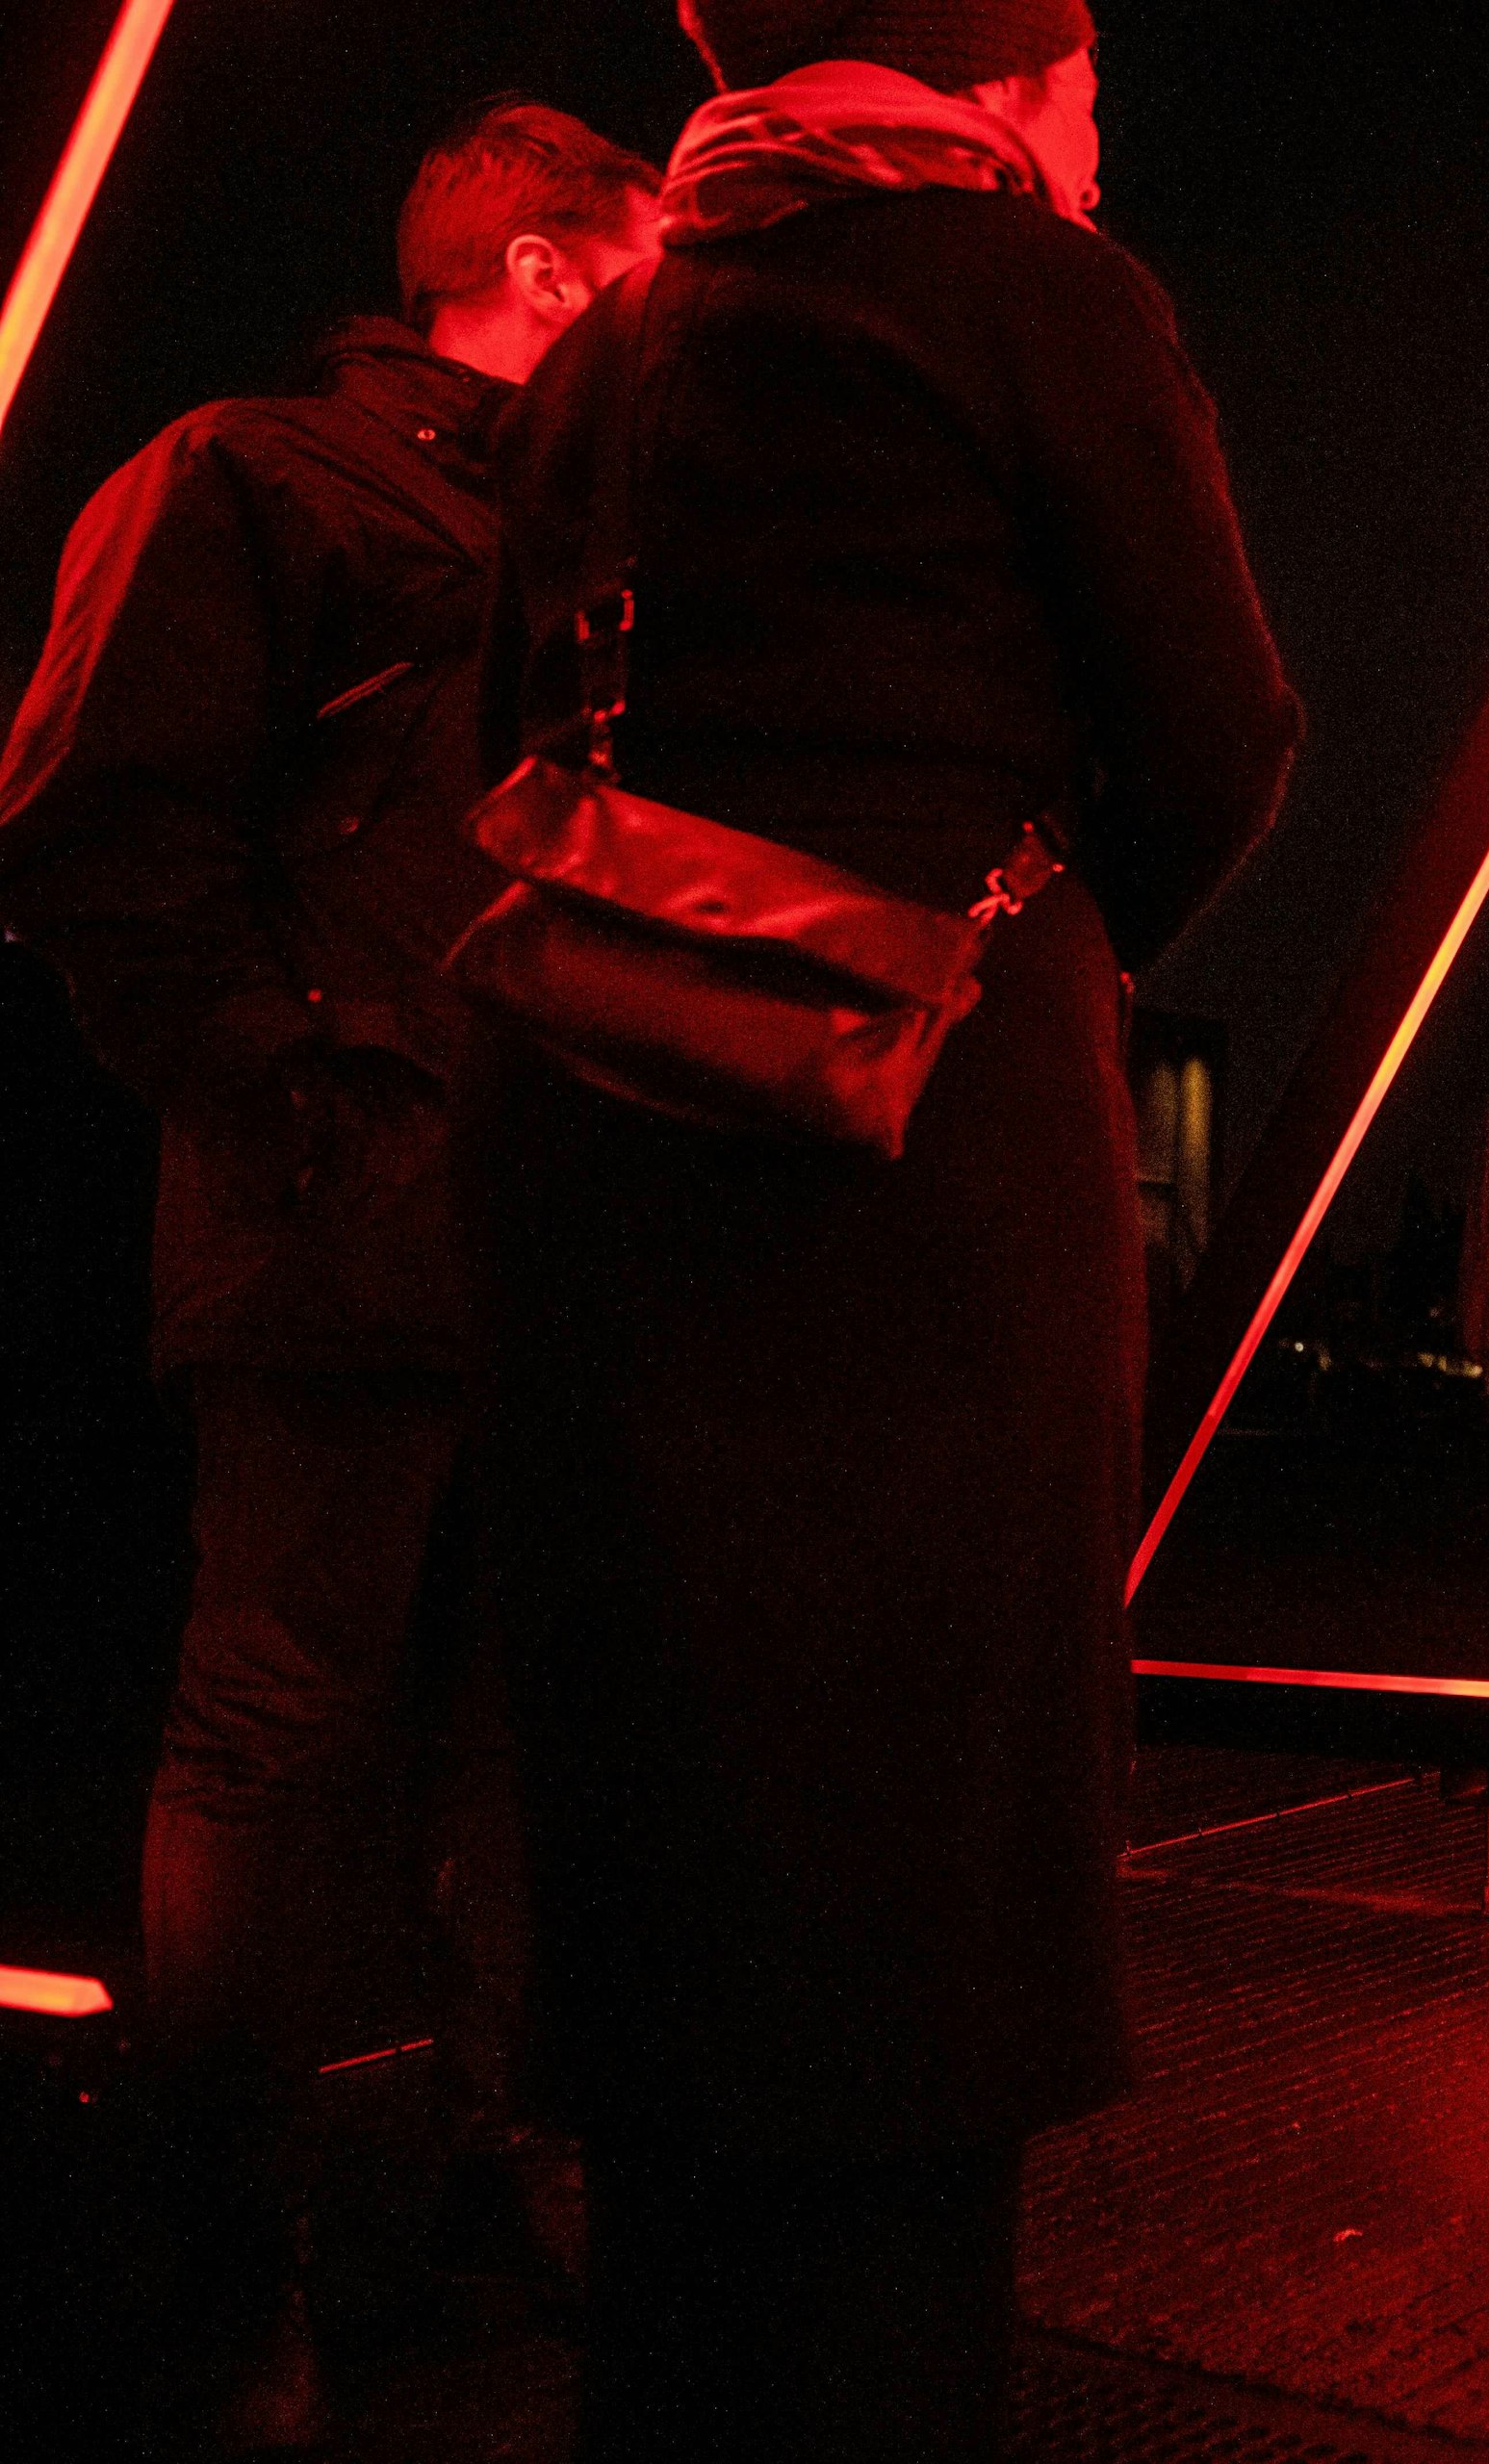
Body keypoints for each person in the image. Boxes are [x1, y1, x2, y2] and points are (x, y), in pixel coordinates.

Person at [477, 3, 1299, 2453]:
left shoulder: (614, 344)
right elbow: (1218, 728)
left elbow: (510, 736)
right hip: (918, 1168)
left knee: (668, 1851)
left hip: (593, 1152)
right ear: (1018, 84)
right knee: (908, 1884)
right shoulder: (1034, 289)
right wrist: (1022, 941)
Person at [0, 100, 660, 2449]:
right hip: (354, 1202)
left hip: (543, 1232)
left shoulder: (578, 546)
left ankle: (452, 2188)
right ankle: (223, 2252)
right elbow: (91, 827)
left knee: (509, 1730)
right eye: (657, 271)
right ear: (562, 271)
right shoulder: (263, 475)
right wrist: (301, 1087)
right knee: (279, 1730)